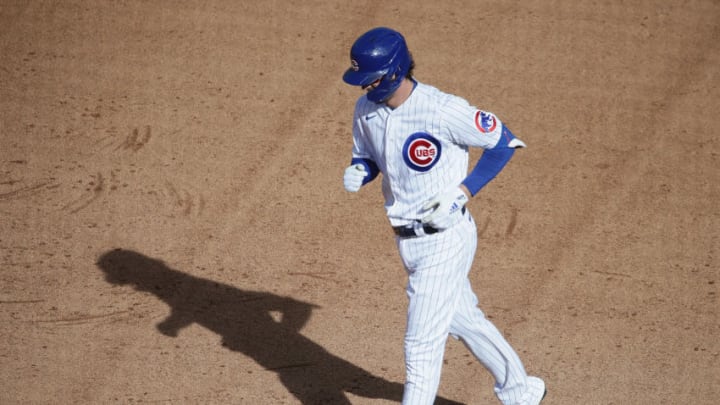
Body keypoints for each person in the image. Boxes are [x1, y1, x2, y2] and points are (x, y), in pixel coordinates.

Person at [340, 27, 546, 405]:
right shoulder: (365, 110)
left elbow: (504, 143)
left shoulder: (442, 109)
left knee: (421, 344)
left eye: (370, 81)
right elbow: (368, 156)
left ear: (395, 72)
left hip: (447, 238)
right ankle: (521, 390)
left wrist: (461, 193)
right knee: (461, 319)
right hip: (407, 241)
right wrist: (361, 171)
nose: (364, 89)